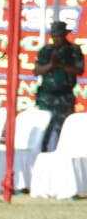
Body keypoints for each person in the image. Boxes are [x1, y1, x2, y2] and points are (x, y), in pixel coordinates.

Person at [34, 20, 83, 152]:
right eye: (55, 36)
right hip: (47, 96)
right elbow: (37, 71)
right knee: (44, 130)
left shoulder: (73, 50)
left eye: (60, 36)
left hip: (64, 96)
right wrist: (51, 65)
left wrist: (61, 66)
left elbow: (79, 70)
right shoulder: (46, 50)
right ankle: (42, 155)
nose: (57, 39)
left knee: (65, 130)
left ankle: (64, 158)